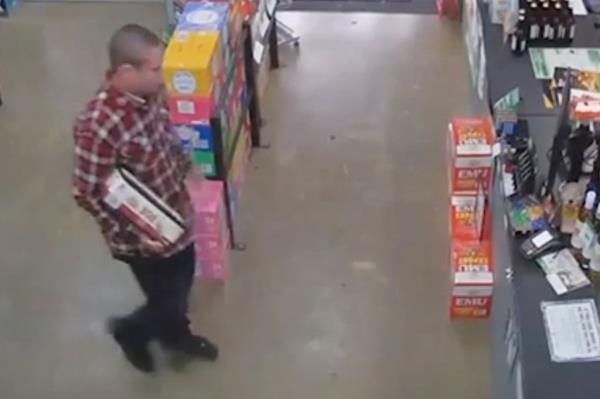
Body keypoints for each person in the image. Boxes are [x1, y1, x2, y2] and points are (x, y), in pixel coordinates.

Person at [72, 24, 218, 373]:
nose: (163, 76)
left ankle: (175, 335)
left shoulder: (149, 95)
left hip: (175, 214)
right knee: (166, 298)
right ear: (126, 72)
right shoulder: (98, 125)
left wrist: (186, 166)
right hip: (142, 242)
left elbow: (165, 135)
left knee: (181, 282)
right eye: (155, 69)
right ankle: (131, 333)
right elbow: (87, 191)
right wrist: (141, 232)